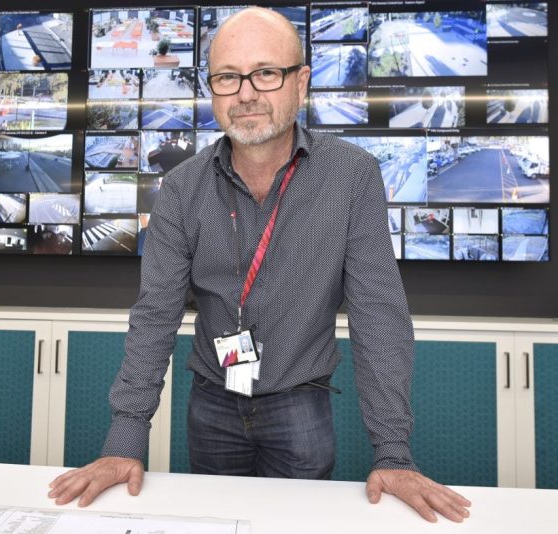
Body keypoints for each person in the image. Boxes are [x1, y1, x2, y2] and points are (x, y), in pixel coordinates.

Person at [48, 8, 471, 523]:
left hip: (301, 404)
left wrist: (393, 453)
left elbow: (378, 315)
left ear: (301, 83)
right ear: (211, 90)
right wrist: (124, 441)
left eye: (266, 73)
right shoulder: (182, 188)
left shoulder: (352, 176)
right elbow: (155, 314)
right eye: (228, 77)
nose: (246, 94)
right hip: (213, 401)